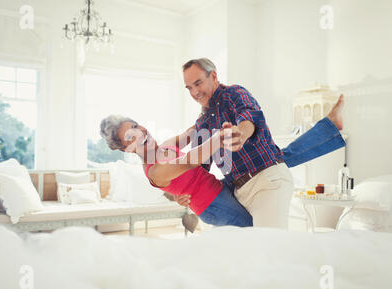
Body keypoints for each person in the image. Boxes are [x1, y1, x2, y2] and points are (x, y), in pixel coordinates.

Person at [100, 103, 345, 229]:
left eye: (136, 125)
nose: (140, 133)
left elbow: (192, 132)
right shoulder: (154, 170)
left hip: (219, 187)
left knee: (271, 158)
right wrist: (218, 137)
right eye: (131, 137)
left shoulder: (164, 146)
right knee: (257, 232)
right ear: (125, 149)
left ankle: (330, 128)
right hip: (213, 205)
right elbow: (190, 160)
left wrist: (209, 102)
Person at [167, 57, 345, 229]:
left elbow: (249, 116)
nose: (194, 92)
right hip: (238, 189)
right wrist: (185, 193)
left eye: (198, 83)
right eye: (189, 88)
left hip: (266, 182)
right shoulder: (202, 122)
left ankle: (330, 126)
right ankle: (329, 127)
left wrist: (241, 133)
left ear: (213, 76)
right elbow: (199, 171)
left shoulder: (233, 94)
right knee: (248, 248)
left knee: (268, 246)